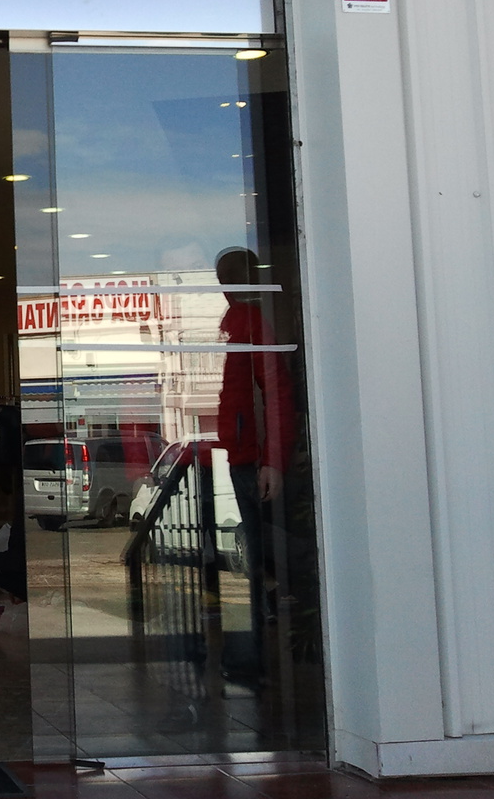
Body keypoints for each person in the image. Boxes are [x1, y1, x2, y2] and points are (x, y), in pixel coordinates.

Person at [215, 246, 297, 684]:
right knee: (255, 560)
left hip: (253, 459)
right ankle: (253, 658)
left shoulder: (249, 322)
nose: (225, 284)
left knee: (259, 559)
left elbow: (275, 391)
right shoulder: (238, 322)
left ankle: (255, 659)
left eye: (229, 276)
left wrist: (273, 461)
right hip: (245, 456)